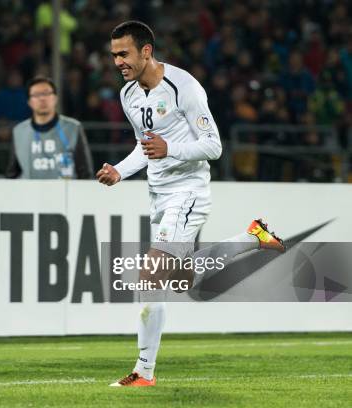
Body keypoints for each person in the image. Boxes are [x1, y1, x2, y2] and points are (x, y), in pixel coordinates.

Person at [96, 21, 286, 387]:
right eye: (114, 55)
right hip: (158, 194)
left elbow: (214, 146)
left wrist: (171, 149)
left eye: (124, 53)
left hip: (188, 192)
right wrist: (120, 171)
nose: (118, 61)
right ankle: (253, 237)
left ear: (146, 51)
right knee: (178, 279)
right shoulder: (128, 95)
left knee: (150, 278)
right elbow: (144, 145)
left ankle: (143, 373)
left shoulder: (184, 87)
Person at [6, 76, 93, 179]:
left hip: (65, 194)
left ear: (55, 98)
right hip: (30, 194)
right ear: (29, 102)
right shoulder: (19, 131)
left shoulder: (73, 128)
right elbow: (12, 175)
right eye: (36, 95)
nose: (42, 98)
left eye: (46, 93)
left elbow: (85, 173)